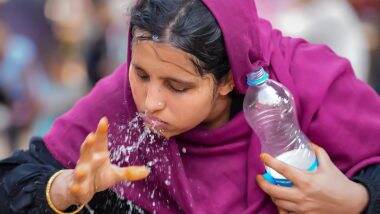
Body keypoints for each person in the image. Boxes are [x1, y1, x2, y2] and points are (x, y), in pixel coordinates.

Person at [1, 0, 380, 213]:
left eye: (178, 86)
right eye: (141, 73)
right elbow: (13, 182)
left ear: (230, 79)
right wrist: (66, 189)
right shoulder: (120, 98)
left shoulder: (309, 81)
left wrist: (355, 201)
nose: (150, 103)